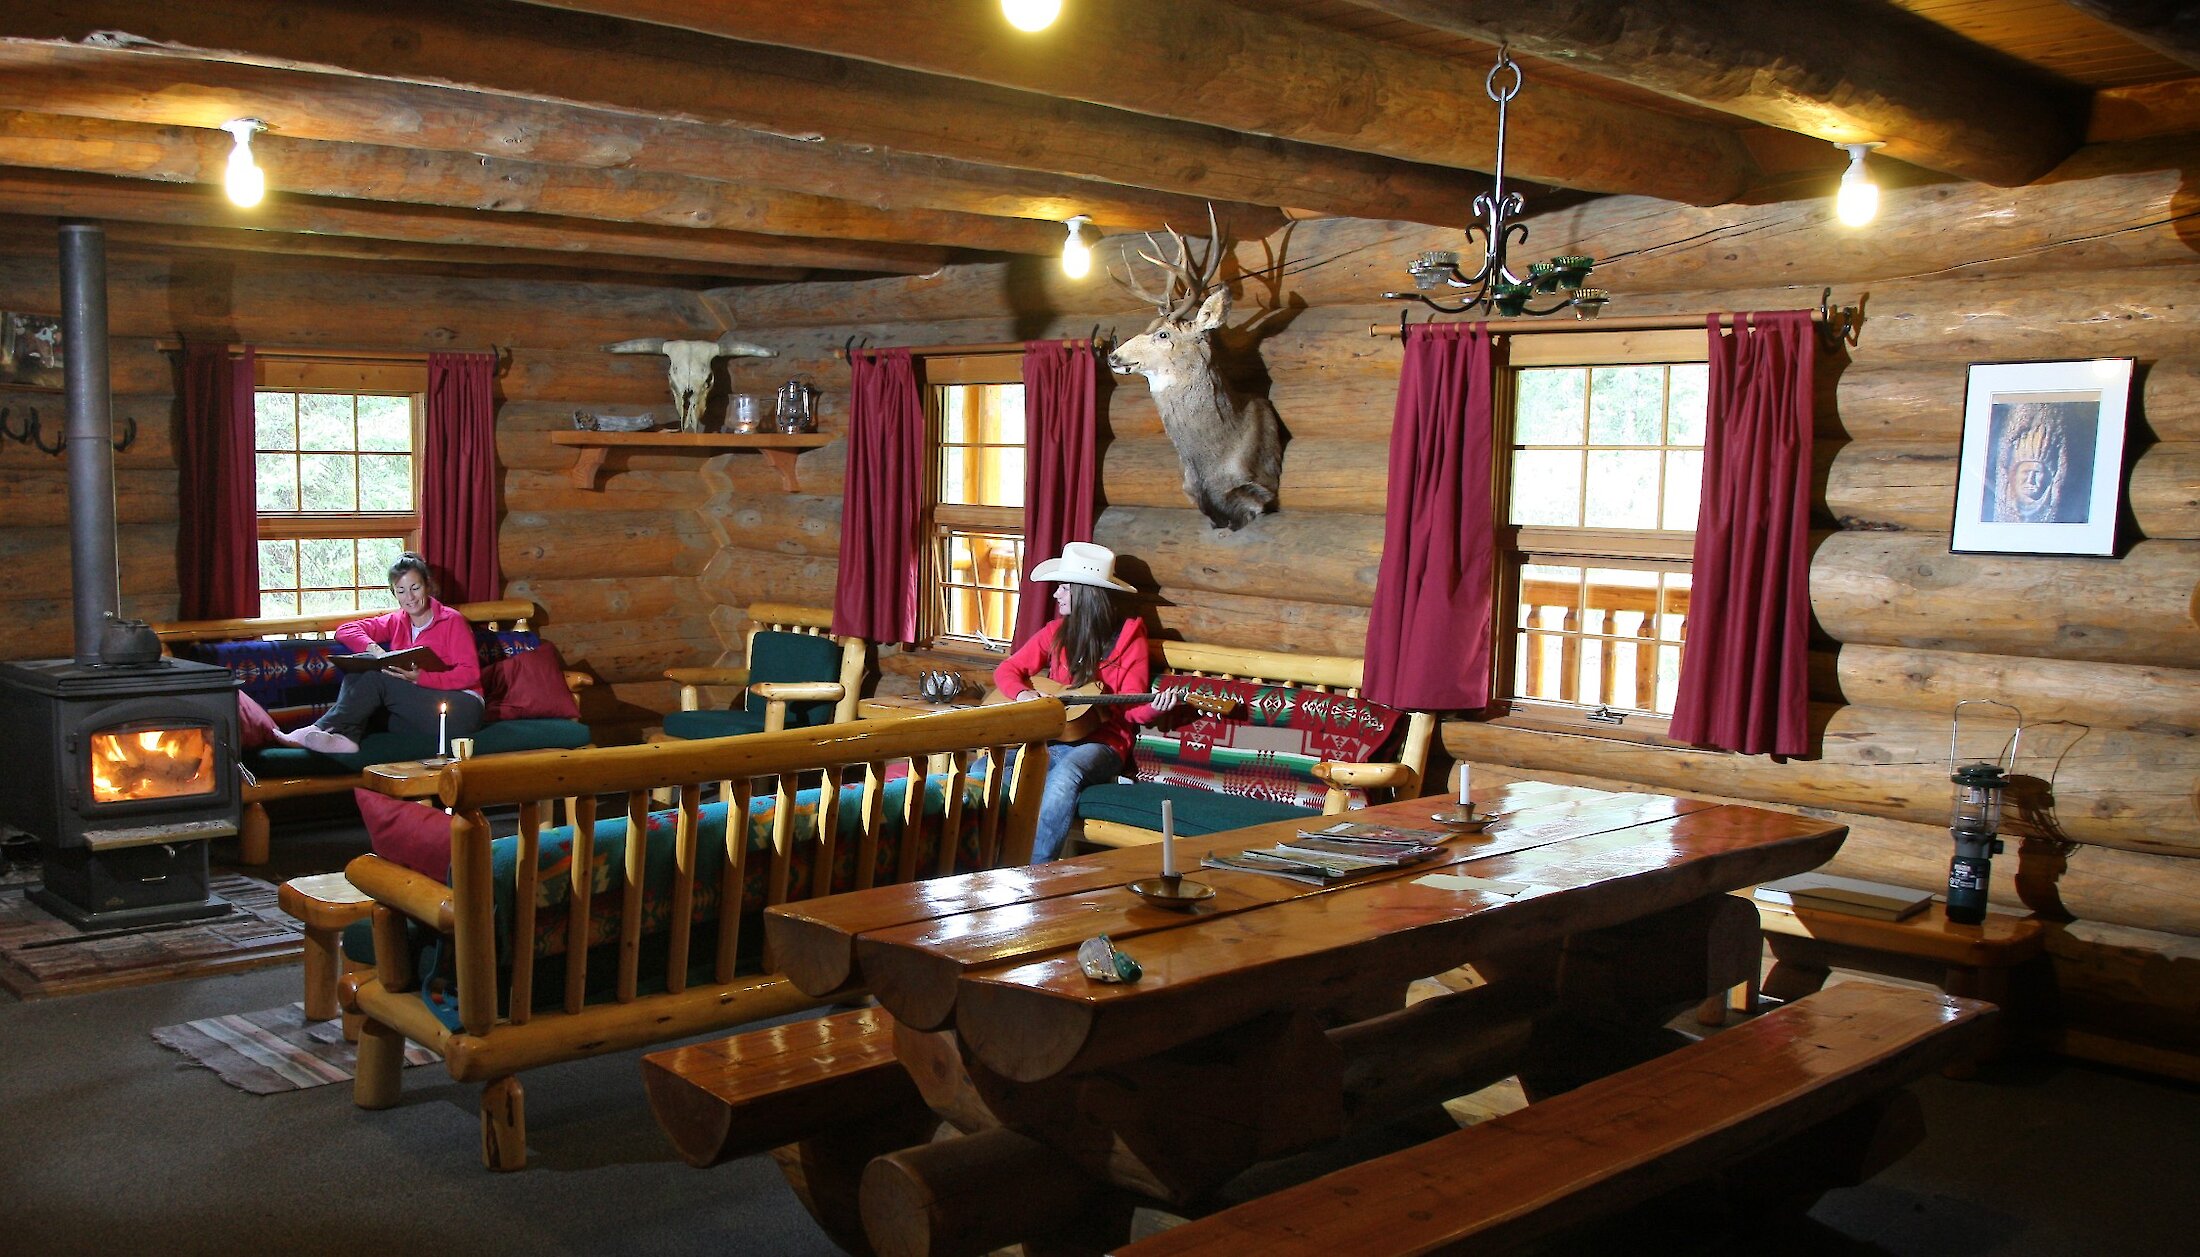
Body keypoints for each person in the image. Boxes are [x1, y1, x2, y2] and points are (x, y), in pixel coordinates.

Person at [993, 542, 1181, 863]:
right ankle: (984, 859)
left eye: (1064, 587)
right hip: (1054, 737)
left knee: (1066, 774)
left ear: (1084, 592)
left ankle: (1033, 871)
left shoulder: (1127, 638)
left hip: (1103, 744)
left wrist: (1156, 707)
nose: (1057, 595)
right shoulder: (1055, 632)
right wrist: (1025, 694)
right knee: (989, 769)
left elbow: (1131, 708)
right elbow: (1007, 671)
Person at [277, 553, 484, 755]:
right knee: (362, 666)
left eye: (415, 588)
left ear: (427, 586)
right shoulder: (397, 621)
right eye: (401, 590)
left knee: (376, 679)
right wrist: (376, 650)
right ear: (394, 592)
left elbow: (471, 674)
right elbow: (345, 630)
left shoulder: (452, 620)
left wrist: (422, 678)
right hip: (424, 710)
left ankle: (320, 728)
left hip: (462, 706)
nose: (409, 597)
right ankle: (346, 739)